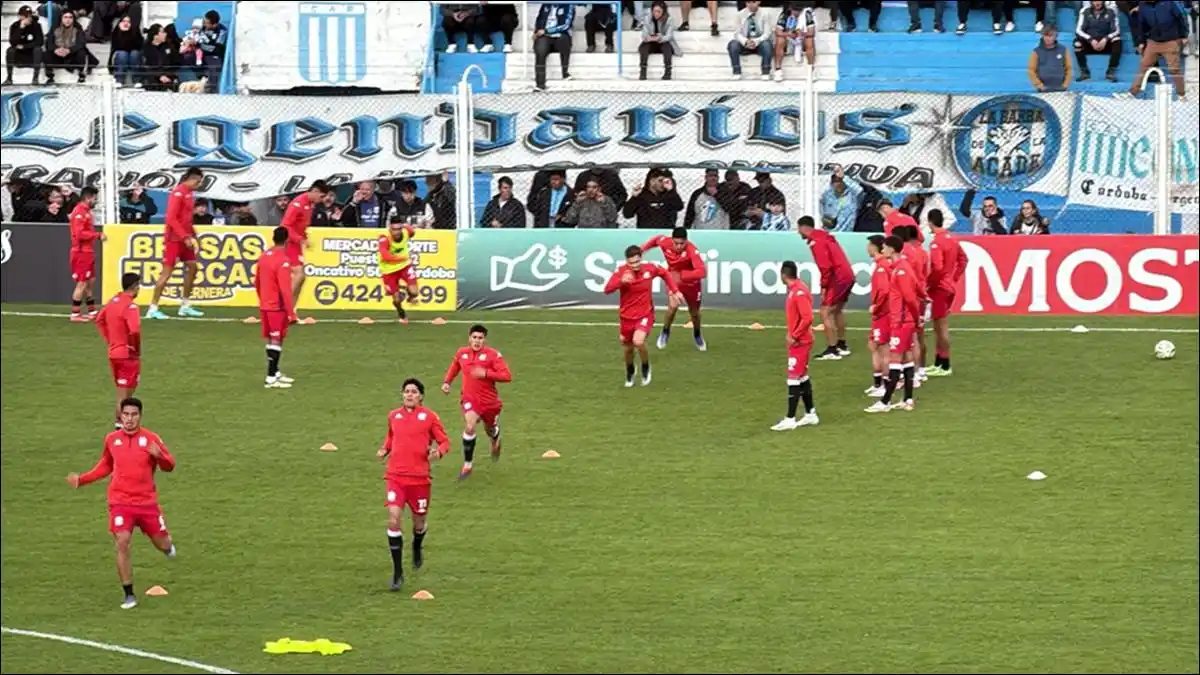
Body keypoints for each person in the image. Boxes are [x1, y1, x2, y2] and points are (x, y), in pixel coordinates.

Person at [66, 397, 177, 610]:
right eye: (126, 415)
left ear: (140, 416)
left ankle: (167, 547)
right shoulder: (111, 439)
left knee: (162, 544)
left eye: (134, 415)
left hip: (146, 503)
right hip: (120, 502)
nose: (129, 419)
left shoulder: (151, 439)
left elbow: (170, 466)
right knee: (122, 541)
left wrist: (160, 456)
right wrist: (82, 480)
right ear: (120, 416)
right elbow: (105, 466)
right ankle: (129, 594)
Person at [378, 378, 450, 590]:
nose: (409, 395)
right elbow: (391, 438)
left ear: (421, 396)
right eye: (406, 391)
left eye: (414, 392)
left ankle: (417, 545)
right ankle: (398, 573)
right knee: (393, 520)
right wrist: (385, 449)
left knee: (419, 523)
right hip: (395, 477)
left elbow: (445, 441)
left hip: (419, 480)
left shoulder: (429, 418)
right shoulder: (393, 416)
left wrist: (439, 452)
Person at [603, 245, 683, 387]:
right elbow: (607, 290)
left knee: (638, 341)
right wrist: (621, 282)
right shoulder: (621, 272)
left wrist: (675, 291)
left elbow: (664, 273)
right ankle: (630, 370)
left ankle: (646, 366)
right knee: (627, 349)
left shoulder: (649, 269)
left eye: (637, 261)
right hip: (626, 317)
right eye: (632, 263)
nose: (635, 265)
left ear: (641, 259)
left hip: (645, 314)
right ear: (627, 261)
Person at [442, 324, 512, 481]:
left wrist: (486, 373)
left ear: (484, 340)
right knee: (470, 425)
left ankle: (495, 437)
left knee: (490, 429)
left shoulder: (493, 355)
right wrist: (447, 382)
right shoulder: (462, 353)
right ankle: (467, 463)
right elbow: (455, 366)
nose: (477, 341)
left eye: (480, 338)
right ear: (469, 338)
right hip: (470, 399)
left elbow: (507, 376)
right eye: (474, 337)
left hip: (489, 401)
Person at [866, 236, 919, 413]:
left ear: (892, 249)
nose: (883, 250)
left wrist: (917, 314)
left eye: (886, 247)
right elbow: (917, 286)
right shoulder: (901, 267)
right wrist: (924, 297)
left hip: (901, 320)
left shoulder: (900, 270)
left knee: (896, 359)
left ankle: (885, 401)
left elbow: (910, 297)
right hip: (905, 320)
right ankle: (908, 400)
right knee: (907, 359)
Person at [146, 168, 205, 320]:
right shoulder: (178, 192)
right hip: (174, 239)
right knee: (166, 273)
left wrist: (194, 235)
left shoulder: (189, 194)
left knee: (193, 267)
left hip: (185, 239)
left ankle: (185, 305)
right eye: (198, 181)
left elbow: (187, 218)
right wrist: (185, 236)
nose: (199, 184)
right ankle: (153, 308)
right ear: (191, 179)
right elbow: (171, 218)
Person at [796, 216, 855, 360]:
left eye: (799, 230)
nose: (799, 233)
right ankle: (841, 345)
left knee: (825, 312)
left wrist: (824, 286)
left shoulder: (816, 242)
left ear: (804, 228)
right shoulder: (824, 236)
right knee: (838, 310)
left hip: (838, 277)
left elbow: (825, 267)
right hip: (847, 274)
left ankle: (832, 349)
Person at [771, 260, 820, 431]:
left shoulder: (798, 292)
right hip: (800, 340)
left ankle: (790, 418)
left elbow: (807, 318)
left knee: (793, 378)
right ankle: (810, 413)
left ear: (783, 275)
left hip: (801, 341)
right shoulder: (797, 289)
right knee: (802, 376)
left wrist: (794, 334)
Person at [642, 228, 708, 351]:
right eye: (676, 243)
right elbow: (656, 240)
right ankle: (665, 332)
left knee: (694, 313)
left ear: (686, 241)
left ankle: (697, 334)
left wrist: (683, 275)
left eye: (681, 243)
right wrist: (642, 249)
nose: (678, 246)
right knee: (672, 307)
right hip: (674, 281)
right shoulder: (665, 242)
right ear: (671, 240)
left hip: (692, 284)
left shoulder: (692, 250)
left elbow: (702, 271)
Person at [96, 272, 143, 428]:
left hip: (114, 354)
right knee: (125, 396)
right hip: (127, 355)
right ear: (135, 286)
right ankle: (120, 429)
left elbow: (99, 320)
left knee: (123, 393)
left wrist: (110, 340)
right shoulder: (131, 307)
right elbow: (135, 330)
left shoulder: (113, 302)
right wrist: (134, 347)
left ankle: (120, 426)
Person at [254, 227, 298, 389]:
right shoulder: (283, 260)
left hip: (266, 304)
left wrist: (262, 299)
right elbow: (285, 289)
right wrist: (291, 312)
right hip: (276, 307)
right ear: (287, 240)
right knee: (276, 339)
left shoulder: (264, 256)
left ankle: (276, 371)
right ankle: (271, 377)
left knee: (272, 339)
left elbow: (257, 281)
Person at [925, 210, 967, 377]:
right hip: (949, 287)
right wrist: (954, 278)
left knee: (940, 327)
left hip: (940, 289)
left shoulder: (936, 243)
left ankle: (945, 364)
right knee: (938, 326)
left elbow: (937, 267)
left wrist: (930, 285)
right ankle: (939, 362)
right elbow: (963, 259)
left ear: (930, 222)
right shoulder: (951, 238)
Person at [280, 181, 330, 313]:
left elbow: (300, 225)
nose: (322, 199)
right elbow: (285, 226)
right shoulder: (298, 204)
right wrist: (300, 239)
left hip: (295, 244)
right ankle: (281, 307)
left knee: (302, 277)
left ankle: (291, 311)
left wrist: (304, 237)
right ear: (314, 191)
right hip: (288, 243)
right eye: (321, 196)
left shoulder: (309, 204)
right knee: (299, 274)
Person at [897, 224, 930, 383]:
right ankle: (921, 369)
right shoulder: (923, 252)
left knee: (910, 336)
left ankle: (913, 371)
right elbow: (926, 273)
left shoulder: (904, 253)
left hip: (910, 295)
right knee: (919, 334)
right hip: (921, 293)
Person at [68, 186, 104, 322]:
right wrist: (97, 235)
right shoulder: (79, 212)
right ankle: (75, 314)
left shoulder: (86, 212)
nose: (96, 201)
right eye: (95, 198)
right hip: (81, 252)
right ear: (88, 198)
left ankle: (92, 311)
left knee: (90, 282)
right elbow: (79, 234)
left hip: (88, 252)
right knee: (82, 283)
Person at [864, 235, 892, 398]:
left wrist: (876, 306)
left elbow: (884, 291)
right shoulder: (882, 265)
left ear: (875, 247)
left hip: (883, 314)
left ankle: (884, 384)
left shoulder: (882, 267)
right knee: (874, 346)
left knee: (882, 349)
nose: (867, 248)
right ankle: (878, 383)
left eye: (869, 245)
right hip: (882, 313)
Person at [378, 218, 420, 324]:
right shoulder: (384, 238)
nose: (396, 232)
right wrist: (401, 258)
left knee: (414, 292)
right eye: (394, 229)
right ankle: (401, 313)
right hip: (389, 270)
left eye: (399, 229)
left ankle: (408, 294)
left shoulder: (406, 232)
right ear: (390, 229)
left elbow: (412, 232)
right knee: (396, 300)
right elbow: (385, 255)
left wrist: (407, 226)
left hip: (404, 266)